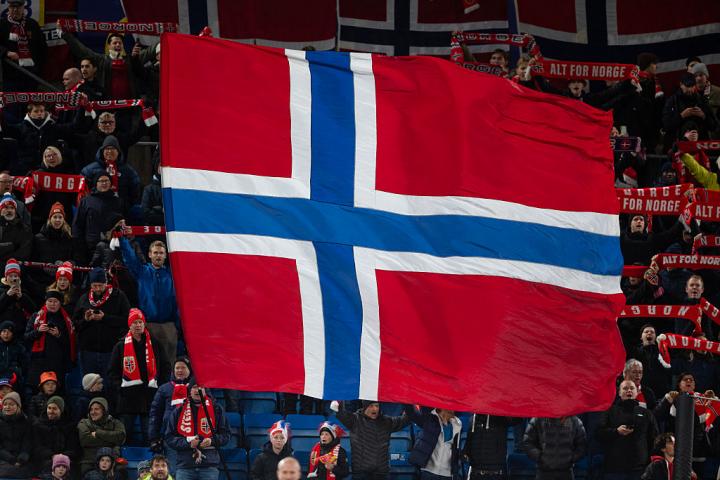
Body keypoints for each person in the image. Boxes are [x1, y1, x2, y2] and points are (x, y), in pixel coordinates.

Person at [108, 308, 168, 445]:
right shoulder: (121, 346)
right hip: (127, 398)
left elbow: (165, 366)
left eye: (140, 322)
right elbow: (112, 372)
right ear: (129, 325)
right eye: (135, 322)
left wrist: (160, 387)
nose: (138, 325)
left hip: (150, 397)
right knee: (124, 436)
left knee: (150, 436)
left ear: (144, 324)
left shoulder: (155, 344)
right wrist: (121, 388)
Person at [121, 239, 178, 363]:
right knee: (149, 362)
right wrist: (123, 239)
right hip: (148, 325)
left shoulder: (173, 274)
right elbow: (130, 259)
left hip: (169, 326)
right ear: (149, 254)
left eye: (161, 253)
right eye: (155, 252)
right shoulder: (142, 272)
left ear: (165, 255)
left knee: (170, 363)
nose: (158, 256)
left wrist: (177, 325)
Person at [164, 382, 230, 480]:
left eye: (201, 387)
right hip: (185, 467)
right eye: (194, 387)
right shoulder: (179, 410)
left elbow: (226, 435)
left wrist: (211, 441)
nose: (197, 390)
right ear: (189, 391)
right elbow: (169, 437)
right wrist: (188, 443)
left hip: (209, 467)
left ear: (206, 390)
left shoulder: (216, 409)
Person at [73, 267, 130, 378]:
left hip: (111, 350)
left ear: (106, 283)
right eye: (95, 286)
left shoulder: (118, 296)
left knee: (110, 384)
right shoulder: (84, 299)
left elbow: (127, 321)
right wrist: (86, 320)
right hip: (88, 351)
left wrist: (105, 318)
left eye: (101, 285)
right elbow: (75, 324)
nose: (98, 289)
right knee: (89, 386)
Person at [333, 400, 410, 480]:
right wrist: (338, 401)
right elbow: (340, 413)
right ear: (365, 407)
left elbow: (405, 420)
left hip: (381, 473)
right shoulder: (355, 420)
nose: (375, 409)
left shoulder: (386, 421)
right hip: (360, 473)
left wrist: (412, 407)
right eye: (371, 406)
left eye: (377, 406)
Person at [597, 380, 658, 480]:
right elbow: (599, 434)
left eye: (632, 388)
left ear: (637, 392)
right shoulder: (610, 411)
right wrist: (616, 431)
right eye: (625, 388)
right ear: (619, 392)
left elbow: (654, 438)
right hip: (614, 469)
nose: (629, 390)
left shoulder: (647, 413)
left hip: (639, 469)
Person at [0, 0, 47, 119]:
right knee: (11, 108)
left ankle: (28, 134)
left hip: (30, 76)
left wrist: (37, 68)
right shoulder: (2, 24)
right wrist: (6, 52)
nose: (15, 9)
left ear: (23, 7)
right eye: (12, 6)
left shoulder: (32, 25)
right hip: (10, 76)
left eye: (18, 6)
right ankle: (12, 135)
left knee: (29, 109)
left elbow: (42, 49)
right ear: (8, 8)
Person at [25, 291, 77, 389]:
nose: (52, 304)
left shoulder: (66, 319)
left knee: (56, 390)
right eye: (50, 301)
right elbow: (26, 337)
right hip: (38, 362)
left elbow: (71, 342)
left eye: (55, 301)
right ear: (45, 302)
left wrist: (58, 335)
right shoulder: (36, 316)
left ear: (60, 303)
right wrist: (38, 331)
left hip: (57, 363)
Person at [81, 136, 141, 216]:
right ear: (102, 151)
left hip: (120, 211)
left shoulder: (128, 170)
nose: (109, 151)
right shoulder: (89, 170)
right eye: (107, 149)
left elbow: (135, 189)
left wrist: (125, 205)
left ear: (118, 152)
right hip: (95, 211)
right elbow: (82, 189)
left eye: (113, 149)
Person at [148, 356, 193, 465]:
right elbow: (155, 414)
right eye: (177, 368)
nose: (180, 370)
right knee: (172, 470)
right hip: (170, 437)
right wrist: (153, 437)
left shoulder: (197, 388)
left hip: (192, 438)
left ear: (190, 370)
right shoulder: (164, 388)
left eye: (183, 368)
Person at [72, 172, 123, 265]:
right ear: (96, 183)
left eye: (106, 181)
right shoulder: (86, 201)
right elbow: (78, 225)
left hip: (112, 246)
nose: (104, 183)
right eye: (101, 181)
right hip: (89, 247)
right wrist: (79, 246)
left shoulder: (118, 202)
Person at [522, 416, 587, 480]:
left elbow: (582, 444)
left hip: (566, 472)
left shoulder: (574, 421)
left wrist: (571, 458)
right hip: (544, 471)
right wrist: (539, 457)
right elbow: (528, 442)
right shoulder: (538, 419)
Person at [32, 147, 78, 231]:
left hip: (64, 217)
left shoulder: (69, 174)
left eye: (54, 155)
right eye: (48, 156)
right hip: (42, 217)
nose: (51, 158)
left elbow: (74, 198)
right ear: (44, 158)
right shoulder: (37, 174)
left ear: (60, 156)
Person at [662, 73, 717, 143]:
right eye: (687, 86)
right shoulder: (672, 101)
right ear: (681, 85)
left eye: (692, 86)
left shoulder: (702, 100)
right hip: (678, 144)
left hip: (701, 145)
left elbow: (714, 126)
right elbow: (666, 126)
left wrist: (703, 116)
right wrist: (682, 116)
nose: (690, 89)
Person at [77, 397, 126, 475]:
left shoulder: (115, 423)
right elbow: (85, 440)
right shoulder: (84, 423)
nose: (93, 412)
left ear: (104, 410)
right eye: (91, 409)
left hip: (111, 460)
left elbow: (121, 437)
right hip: (90, 461)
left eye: (96, 409)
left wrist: (98, 433)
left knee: (121, 471)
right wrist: (112, 441)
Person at [31, 396, 79, 475]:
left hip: (66, 459)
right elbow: (37, 447)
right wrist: (52, 456)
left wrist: (62, 457)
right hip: (46, 459)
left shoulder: (70, 426)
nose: (51, 411)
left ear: (61, 410)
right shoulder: (38, 425)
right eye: (49, 408)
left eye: (54, 409)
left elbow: (73, 447)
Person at [464, 415, 519, 480]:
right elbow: (468, 446)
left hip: (496, 474)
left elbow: (518, 419)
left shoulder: (501, 417)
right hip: (476, 473)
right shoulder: (473, 419)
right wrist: (464, 454)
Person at [630, 325, 672, 398]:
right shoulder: (635, 351)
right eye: (646, 332)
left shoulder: (663, 349)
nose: (649, 333)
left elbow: (668, 367)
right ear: (641, 337)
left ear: (655, 337)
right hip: (642, 390)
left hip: (661, 390)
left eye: (652, 332)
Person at [0, 391, 34, 477]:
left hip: (21, 459)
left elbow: (27, 443)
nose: (7, 407)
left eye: (11, 404)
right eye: (5, 404)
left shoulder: (26, 422)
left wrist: (22, 458)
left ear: (18, 406)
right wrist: (10, 459)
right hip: (4, 458)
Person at [0, 257, 36, 334]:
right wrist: (7, 295)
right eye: (10, 276)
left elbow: (33, 310)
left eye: (15, 276)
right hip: (3, 331)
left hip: (20, 330)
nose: (13, 278)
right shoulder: (1, 289)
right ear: (6, 277)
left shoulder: (24, 290)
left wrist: (21, 297)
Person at [0, 194, 33, 263]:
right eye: (6, 207)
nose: (9, 210)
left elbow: (24, 254)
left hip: (15, 269)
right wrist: (11, 246)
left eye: (12, 208)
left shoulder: (24, 229)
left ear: (15, 211)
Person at [0, 321, 24, 387]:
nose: (6, 334)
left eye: (9, 331)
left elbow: (24, 365)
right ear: (0, 333)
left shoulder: (19, 348)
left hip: (15, 380)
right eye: (4, 331)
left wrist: (17, 372)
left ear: (13, 334)